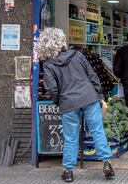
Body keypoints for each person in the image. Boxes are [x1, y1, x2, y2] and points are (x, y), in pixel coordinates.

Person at [37, 28, 114, 183]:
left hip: (68, 103)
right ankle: (106, 163)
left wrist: (59, 101)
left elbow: (52, 88)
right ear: (62, 40)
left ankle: (69, 171)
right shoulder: (78, 55)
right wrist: (99, 96)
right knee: (97, 131)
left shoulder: (49, 65)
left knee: (71, 138)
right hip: (89, 98)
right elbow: (93, 76)